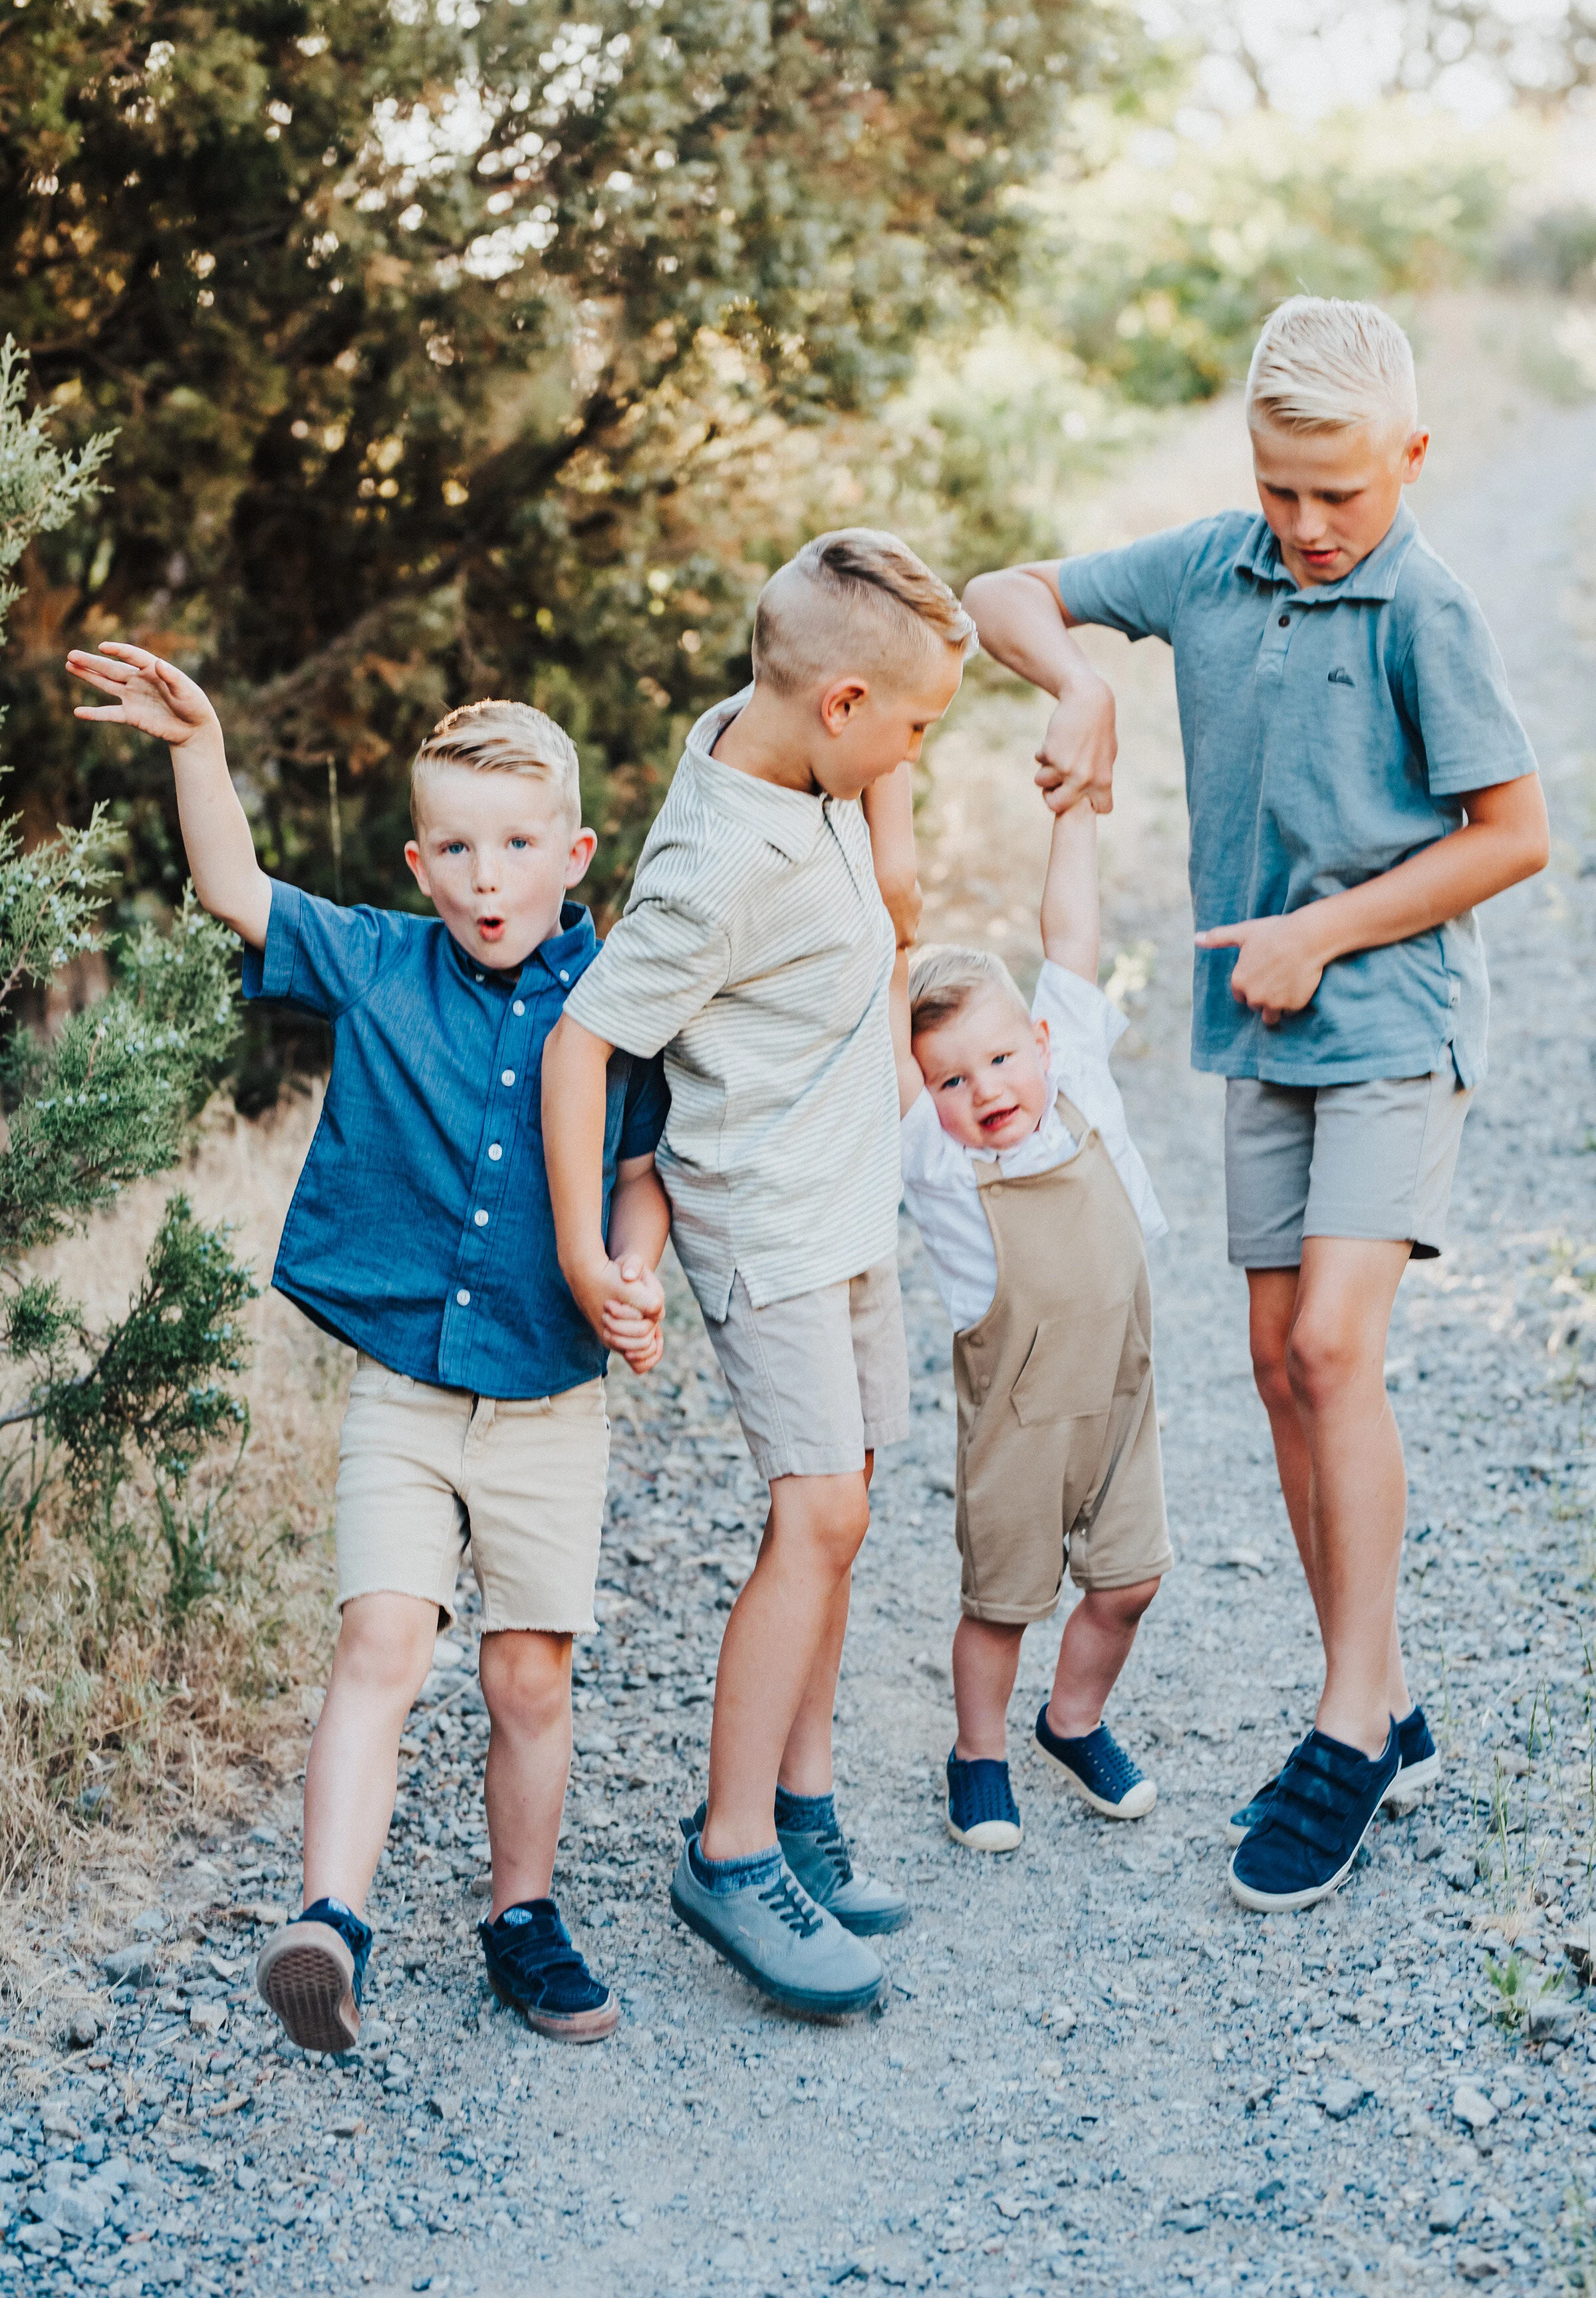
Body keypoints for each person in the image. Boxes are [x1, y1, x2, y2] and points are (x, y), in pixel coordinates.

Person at [963, 295, 1550, 1912]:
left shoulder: (1422, 607)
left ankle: (1348, 1727)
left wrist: (1324, 929)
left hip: (1387, 1015)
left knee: (1335, 1350)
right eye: (1280, 488)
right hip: (1260, 1031)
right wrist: (1075, 686)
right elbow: (1001, 591)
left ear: (1411, 460)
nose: (1304, 525)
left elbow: (1514, 835)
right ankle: (1390, 1694)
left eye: (1339, 496)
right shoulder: (1215, 563)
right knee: (1276, 1368)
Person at [65, 653, 671, 2042]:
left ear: (574, 855)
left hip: (549, 1401)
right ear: (419, 859)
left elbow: (646, 1166)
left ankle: (524, 1915)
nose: (484, 877)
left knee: (529, 1676)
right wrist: (198, 744)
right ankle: (328, 1920)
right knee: (378, 1642)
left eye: (518, 846)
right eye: (454, 848)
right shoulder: (386, 966)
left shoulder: (617, 1004)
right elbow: (238, 891)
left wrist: (634, 1266)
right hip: (403, 1391)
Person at [541, 529, 971, 2017]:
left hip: (847, 1194)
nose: (918, 751)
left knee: (845, 1513)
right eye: (914, 730)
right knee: (821, 1509)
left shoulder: (788, 740)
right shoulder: (720, 863)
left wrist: (900, 837)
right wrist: (589, 1249)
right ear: (844, 707)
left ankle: (801, 1809)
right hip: (769, 1216)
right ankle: (729, 1854)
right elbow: (588, 1039)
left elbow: (859, 665)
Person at [870, 781, 1170, 1851]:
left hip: (1121, 1402)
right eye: (949, 1077)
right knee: (1002, 1600)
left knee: (1129, 1579)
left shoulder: (1076, 1065)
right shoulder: (938, 1158)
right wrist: (881, 797)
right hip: (1016, 1425)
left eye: (1000, 1058)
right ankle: (979, 1752)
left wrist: (1078, 808)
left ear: (1042, 1039)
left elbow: (1071, 929)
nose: (984, 1089)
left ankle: (1073, 1719)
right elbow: (884, 966)